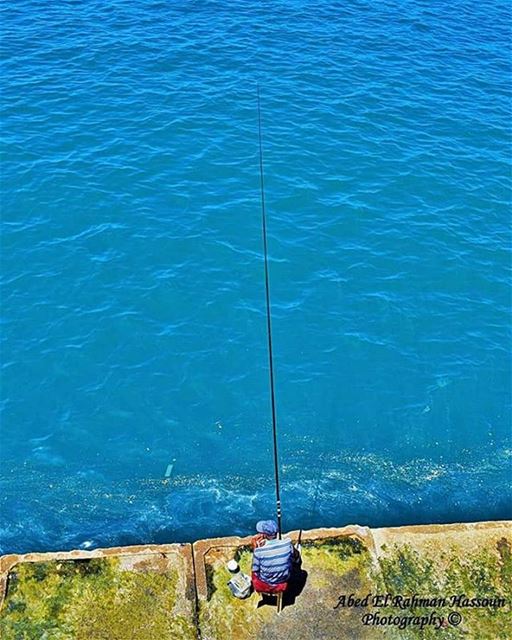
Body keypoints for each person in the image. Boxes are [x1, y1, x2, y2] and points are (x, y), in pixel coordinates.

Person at [251, 519, 294, 593]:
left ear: (264, 534)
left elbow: (255, 570)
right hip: (285, 578)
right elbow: (292, 556)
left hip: (267, 582)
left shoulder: (259, 552)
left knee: (253, 572)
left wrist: (255, 548)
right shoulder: (287, 543)